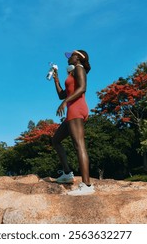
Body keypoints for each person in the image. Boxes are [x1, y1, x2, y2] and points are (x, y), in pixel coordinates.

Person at [52, 49, 95, 195]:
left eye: (71, 56)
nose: (68, 58)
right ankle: (67, 173)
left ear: (78, 58)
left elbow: (82, 88)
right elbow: (62, 94)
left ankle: (87, 185)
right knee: (56, 140)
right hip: (73, 109)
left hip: (77, 108)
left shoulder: (79, 68)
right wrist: (56, 80)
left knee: (79, 146)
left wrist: (65, 103)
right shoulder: (72, 73)